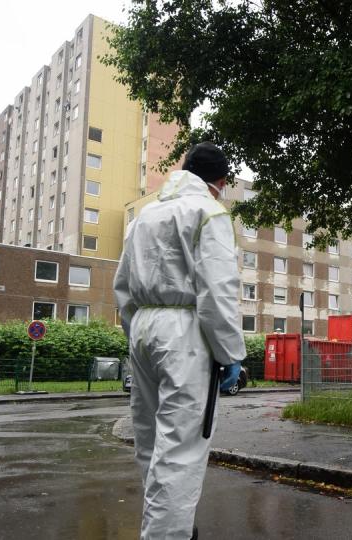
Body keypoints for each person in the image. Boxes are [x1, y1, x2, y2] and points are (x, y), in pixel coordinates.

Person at [114, 142, 245, 540]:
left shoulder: (145, 216)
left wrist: (136, 332)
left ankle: (170, 527)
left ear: (184, 169)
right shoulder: (209, 212)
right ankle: (169, 535)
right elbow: (216, 291)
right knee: (180, 452)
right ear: (219, 182)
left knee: (152, 445)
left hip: (142, 328)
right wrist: (230, 354)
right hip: (184, 334)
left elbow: (121, 286)